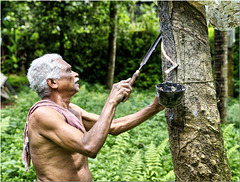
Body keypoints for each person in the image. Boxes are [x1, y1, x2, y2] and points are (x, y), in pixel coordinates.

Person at [23, 53, 164, 181]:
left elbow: (113, 126)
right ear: (53, 83)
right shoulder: (43, 114)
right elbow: (89, 146)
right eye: (68, 71)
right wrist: (111, 101)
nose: (75, 74)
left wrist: (154, 108)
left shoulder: (72, 110)